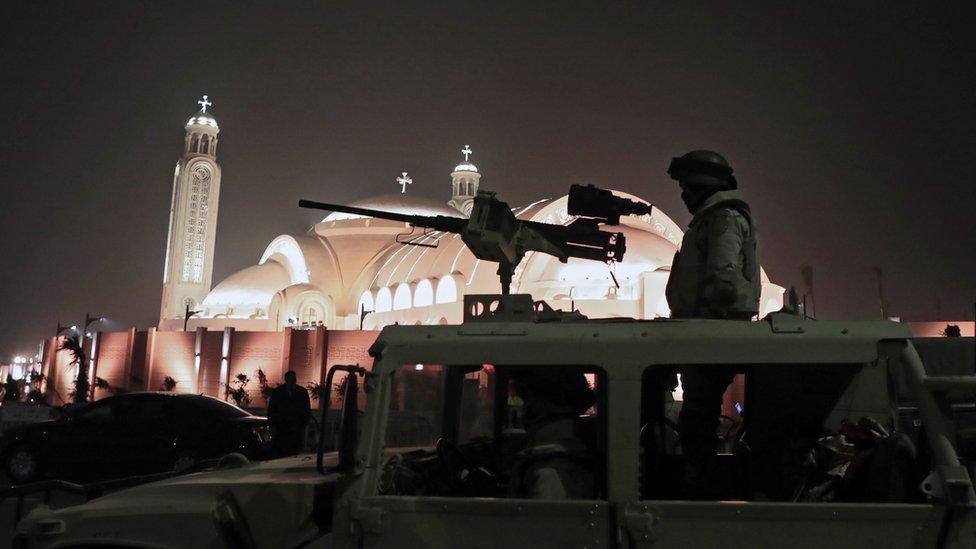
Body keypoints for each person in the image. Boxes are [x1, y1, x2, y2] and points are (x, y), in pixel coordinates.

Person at [664, 150, 761, 498]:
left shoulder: (723, 218)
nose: (683, 195)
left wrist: (706, 322)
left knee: (696, 418)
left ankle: (700, 486)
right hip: (704, 330)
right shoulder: (713, 218)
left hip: (710, 332)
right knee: (696, 416)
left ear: (700, 185)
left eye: (686, 187)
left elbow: (723, 277)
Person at [267, 371, 311, 456]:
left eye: (294, 379)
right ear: (286, 380)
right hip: (282, 428)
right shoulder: (277, 392)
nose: (293, 381)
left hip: (297, 427)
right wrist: (273, 424)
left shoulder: (302, 391)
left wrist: (304, 422)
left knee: (295, 450)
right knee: (282, 451)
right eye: (291, 379)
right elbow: (272, 408)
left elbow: (306, 408)